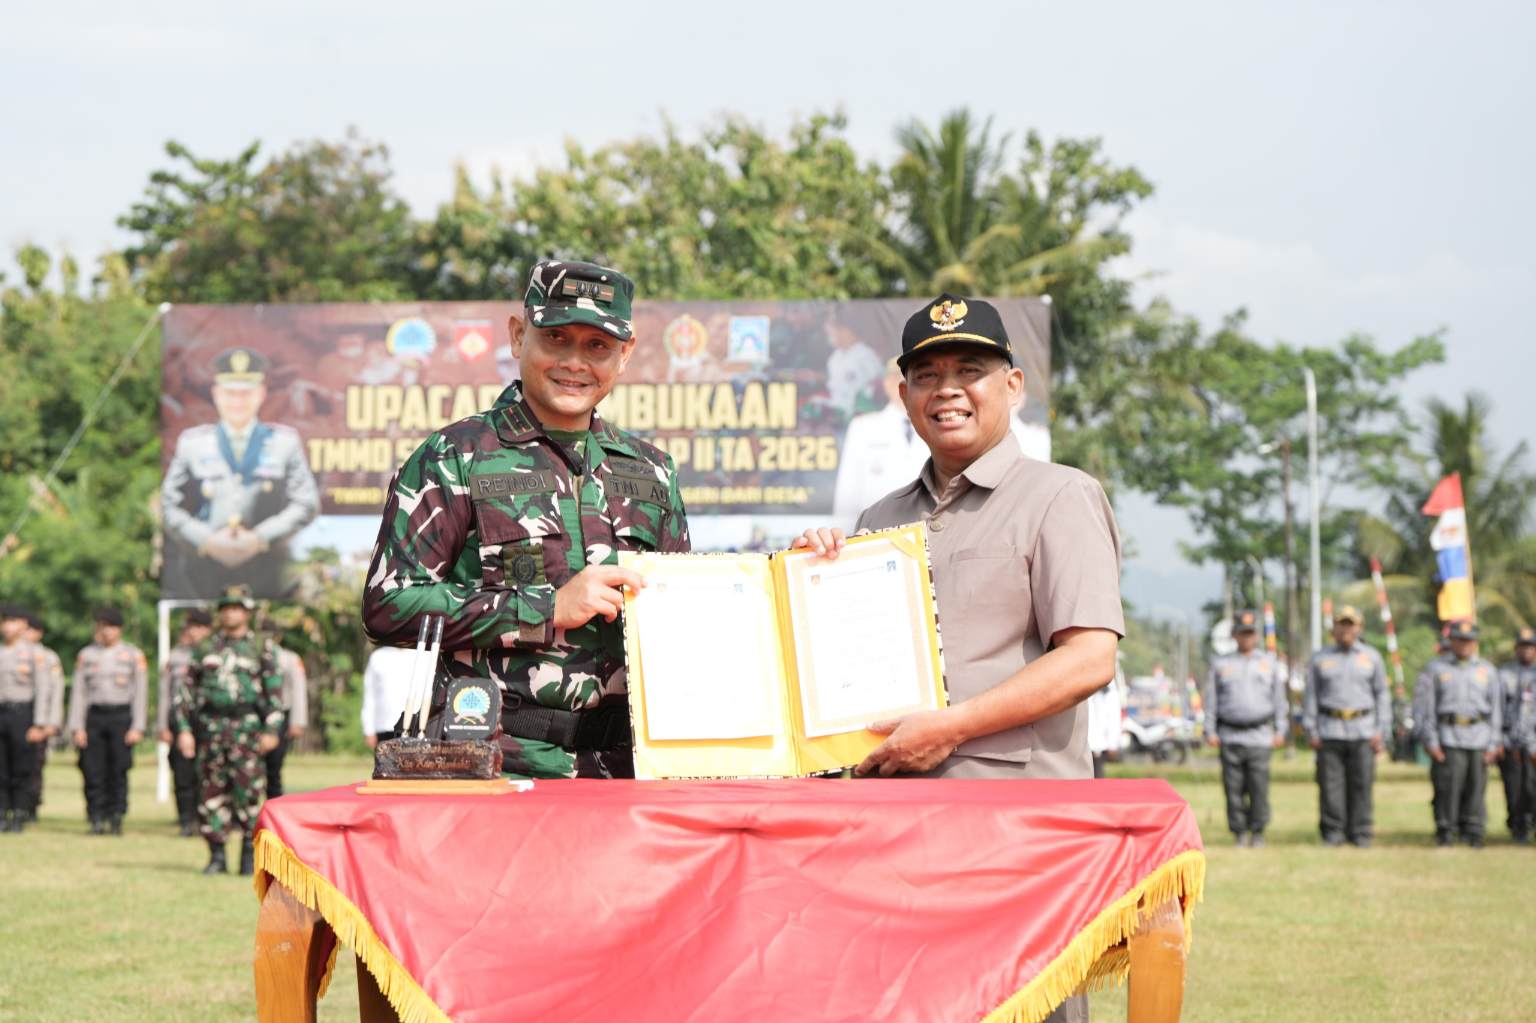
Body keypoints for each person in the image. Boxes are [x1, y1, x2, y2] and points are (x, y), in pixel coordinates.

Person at [795, 293, 1122, 1023]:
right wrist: (806, 582)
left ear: (1013, 385)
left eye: (970, 369)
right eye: (927, 373)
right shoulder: (880, 518)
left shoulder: (1060, 496)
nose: (947, 389)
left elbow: (1089, 658)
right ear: (903, 393)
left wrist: (954, 725)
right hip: (897, 832)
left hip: (1017, 836)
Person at [363, 260, 691, 780]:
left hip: (628, 770)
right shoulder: (454, 456)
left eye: (597, 346)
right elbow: (388, 605)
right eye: (556, 338)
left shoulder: (651, 470)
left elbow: (687, 612)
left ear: (625, 355)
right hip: (497, 763)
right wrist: (547, 607)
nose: (574, 362)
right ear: (519, 337)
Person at [161, 347, 320, 598]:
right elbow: (169, 506)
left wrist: (259, 537)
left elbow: (307, 502)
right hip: (201, 575)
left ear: (261, 394)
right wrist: (206, 540)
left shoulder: (284, 442)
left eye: (246, 393)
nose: (237, 401)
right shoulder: (192, 444)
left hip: (270, 573)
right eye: (229, 393)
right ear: (216, 394)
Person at [176, 586, 283, 875]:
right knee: (210, 793)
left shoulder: (262, 647)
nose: (230, 612)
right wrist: (184, 730)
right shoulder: (205, 648)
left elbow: (275, 695)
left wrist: (272, 729)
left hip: (246, 731)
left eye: (236, 607)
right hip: (211, 730)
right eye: (225, 608)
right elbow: (186, 692)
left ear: (246, 612)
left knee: (248, 794)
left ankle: (249, 857)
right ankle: (216, 856)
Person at [1302, 605, 1390, 847]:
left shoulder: (1372, 657)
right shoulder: (1321, 659)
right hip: (1329, 729)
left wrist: (1381, 729)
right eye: (1342, 624)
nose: (1346, 630)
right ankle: (1333, 832)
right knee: (1331, 785)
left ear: (1359, 628)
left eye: (1351, 625)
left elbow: (1382, 694)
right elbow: (1311, 696)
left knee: (1362, 783)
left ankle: (1360, 832)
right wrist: (1311, 728)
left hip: (1363, 729)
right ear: (1334, 628)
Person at [1414, 620, 1503, 848]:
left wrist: (1494, 743)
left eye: (1468, 640)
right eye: (1459, 640)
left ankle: (1473, 831)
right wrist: (1431, 740)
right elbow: (1427, 708)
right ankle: (1446, 830)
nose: (1464, 645)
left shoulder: (1488, 671)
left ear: (1475, 643)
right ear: (1451, 641)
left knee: (1476, 787)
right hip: (1448, 736)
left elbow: (1496, 711)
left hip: (1479, 737)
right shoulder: (1436, 669)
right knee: (1448, 787)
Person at [1204, 609, 1288, 847]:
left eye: (1250, 634)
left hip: (1260, 735)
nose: (1246, 638)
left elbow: (1279, 700)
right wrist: (1209, 730)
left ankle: (1258, 830)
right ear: (1234, 635)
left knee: (1258, 786)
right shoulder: (1221, 664)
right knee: (1233, 788)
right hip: (1230, 735)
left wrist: (1281, 730)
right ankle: (1239, 832)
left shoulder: (1269, 663)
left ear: (1257, 636)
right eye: (1242, 633)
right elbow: (1212, 700)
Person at [66, 607, 147, 836]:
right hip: (94, 717)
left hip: (121, 717)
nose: (107, 631)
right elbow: (79, 693)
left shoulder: (133, 655)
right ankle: (96, 817)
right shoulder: (87, 655)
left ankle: (116, 816)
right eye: (102, 626)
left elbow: (140, 693)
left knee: (118, 769)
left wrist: (138, 726)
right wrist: (77, 727)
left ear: (119, 629)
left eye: (111, 626)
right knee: (92, 769)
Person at [0, 605, 55, 833]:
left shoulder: (35, 654)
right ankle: (3, 811)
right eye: (5, 621)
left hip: (23, 714)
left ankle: (20, 812)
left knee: (22, 766)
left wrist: (40, 723)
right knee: (1, 767)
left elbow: (43, 690)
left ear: (23, 624)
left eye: (12, 621)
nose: (7, 626)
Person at [158, 607, 213, 836]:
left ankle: (207, 820)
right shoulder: (176, 656)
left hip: (209, 719)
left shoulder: (217, 654)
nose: (193, 632)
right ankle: (185, 820)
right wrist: (162, 724)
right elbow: (165, 692)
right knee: (182, 772)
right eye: (190, 627)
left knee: (209, 772)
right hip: (180, 718)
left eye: (198, 627)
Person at [21, 614, 64, 824]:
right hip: (15, 717)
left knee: (34, 766)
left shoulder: (48, 657)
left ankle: (31, 806)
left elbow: (55, 692)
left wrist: (51, 724)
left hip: (40, 720)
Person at [1496, 627, 1536, 843]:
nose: (1526, 651)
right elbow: (1496, 709)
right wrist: (1498, 740)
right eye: (1523, 646)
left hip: (1534, 743)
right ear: (1516, 648)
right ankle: (1518, 826)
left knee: (1532, 786)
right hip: (1510, 740)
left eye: (1530, 646)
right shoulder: (1503, 674)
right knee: (1514, 787)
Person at [262, 620, 308, 799]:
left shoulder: (289, 659)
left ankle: (274, 805)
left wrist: (297, 721)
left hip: (281, 715)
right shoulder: (249, 656)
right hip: (255, 715)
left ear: (278, 637)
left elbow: (298, 690)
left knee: (274, 766)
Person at [360, 645, 415, 748]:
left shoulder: (423, 653)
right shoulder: (378, 656)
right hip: (384, 727)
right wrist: (368, 729)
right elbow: (370, 695)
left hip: (415, 727)